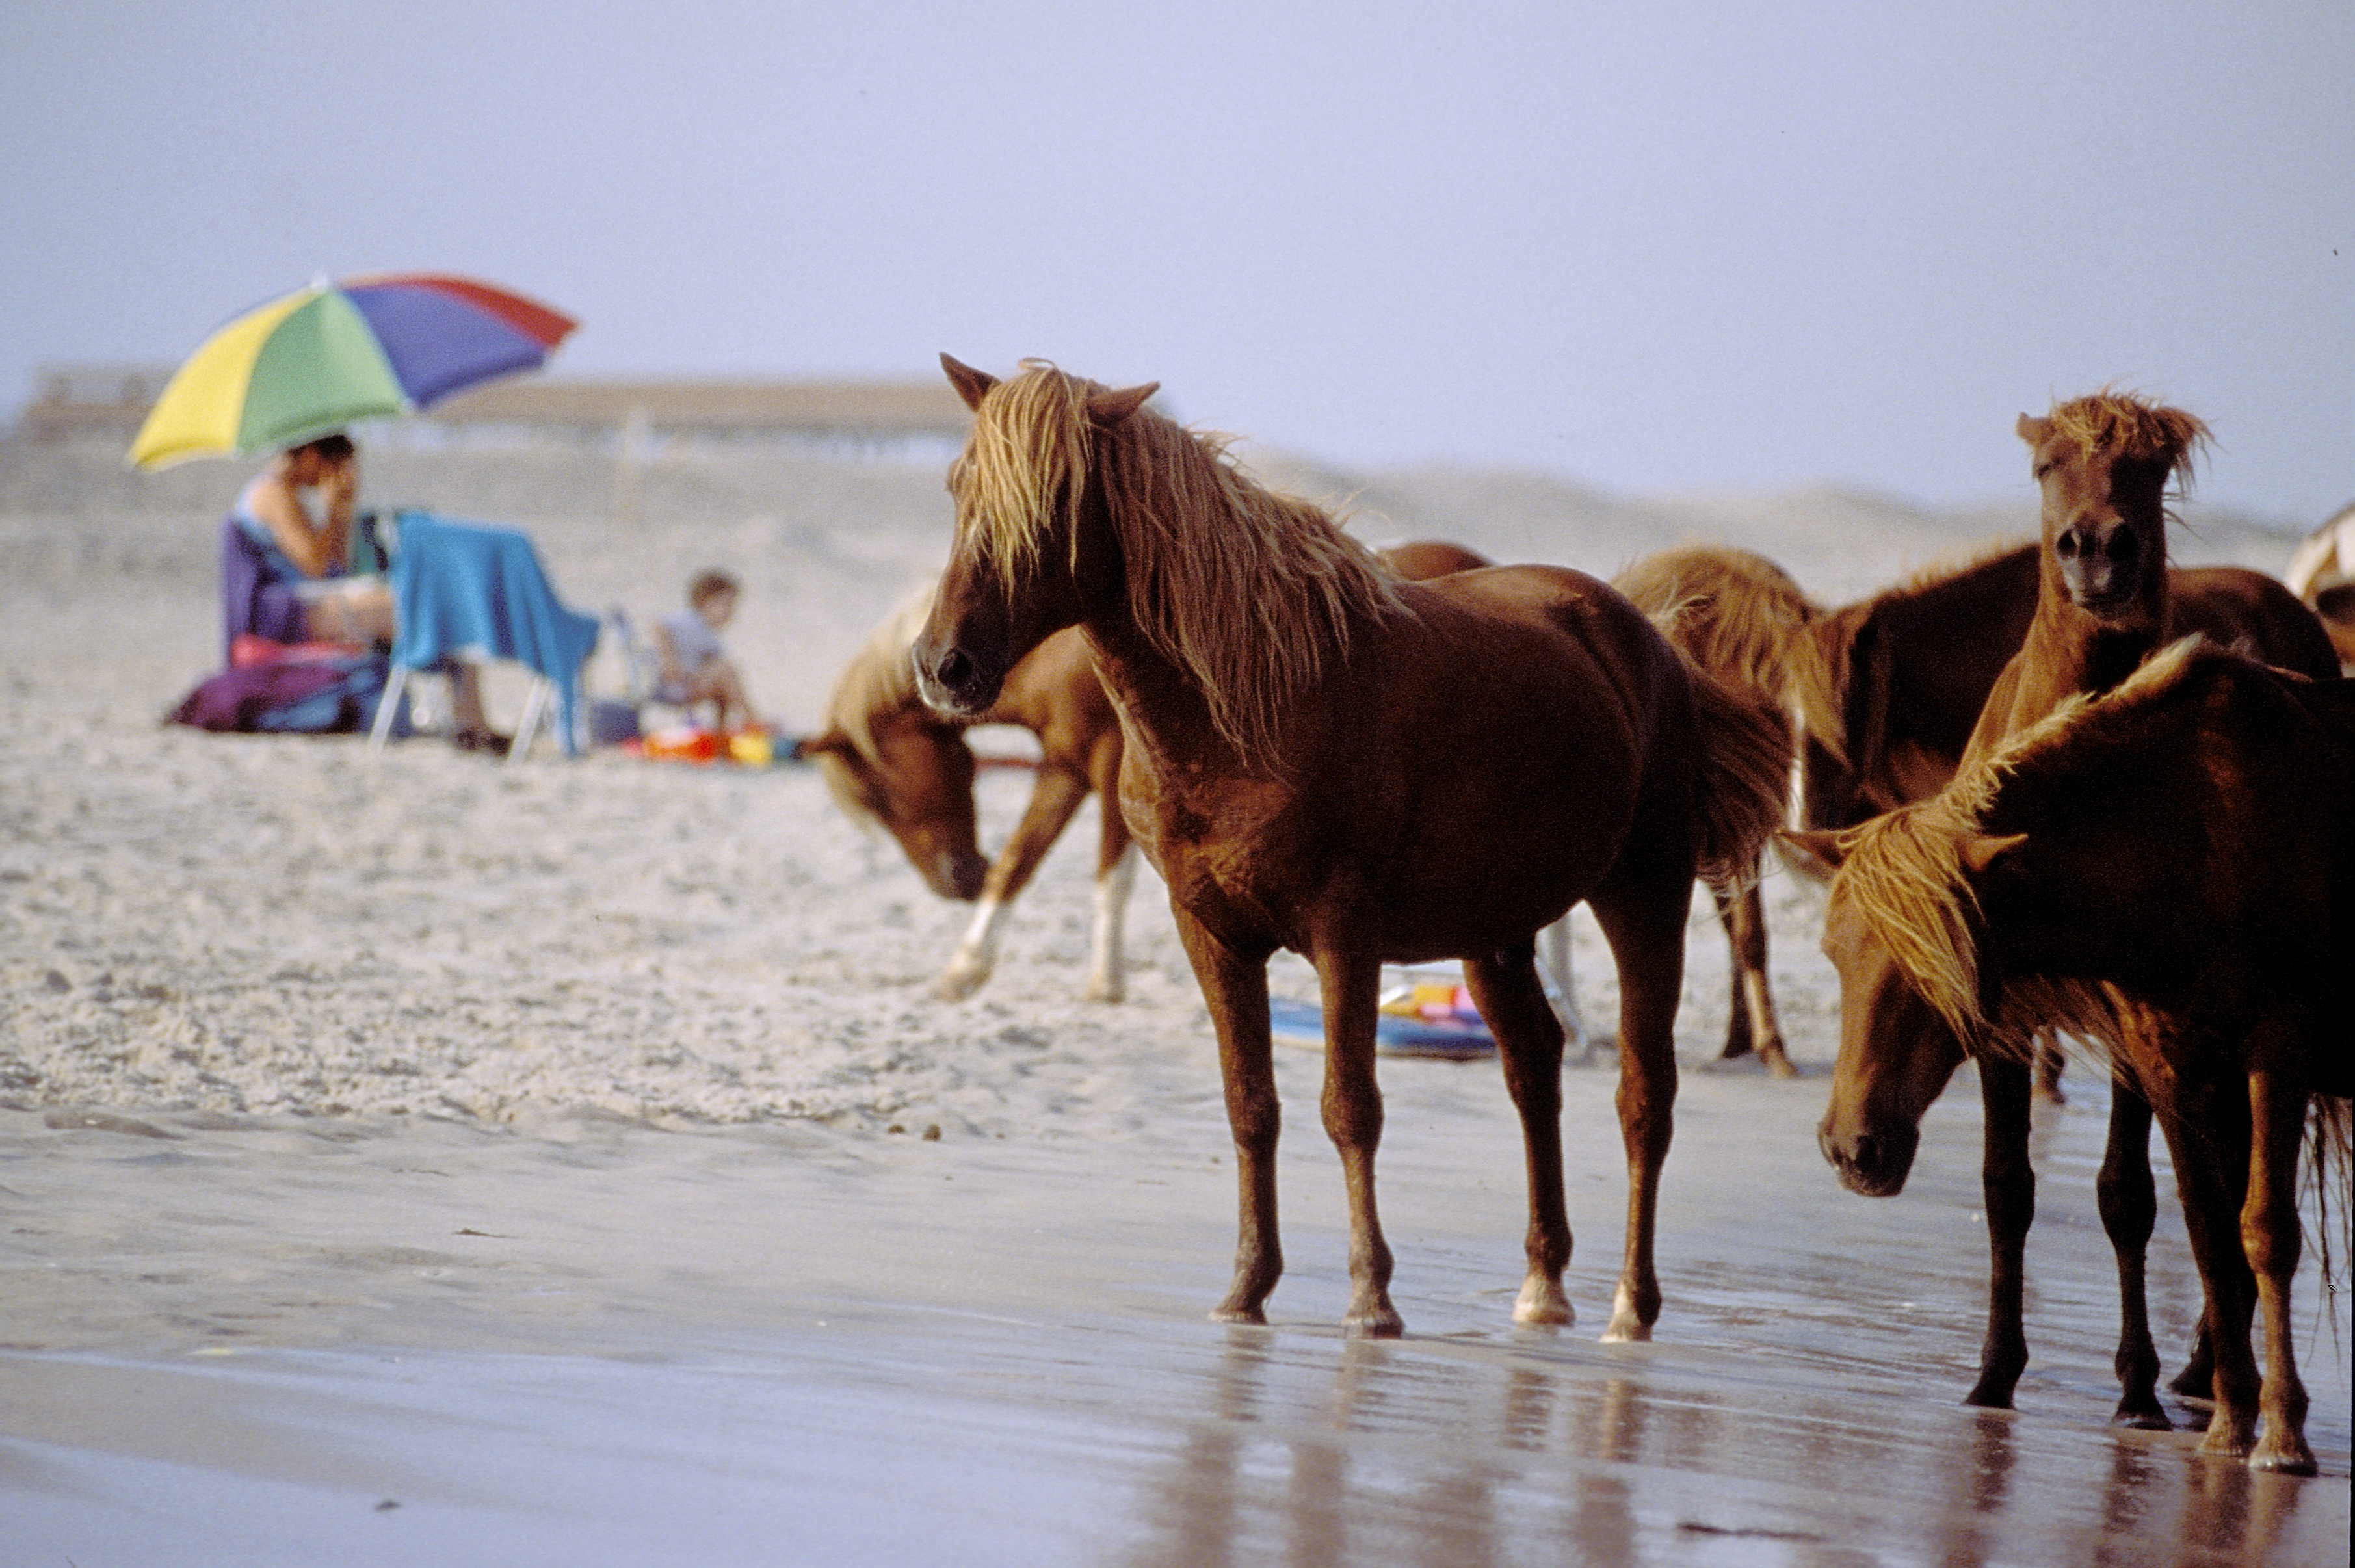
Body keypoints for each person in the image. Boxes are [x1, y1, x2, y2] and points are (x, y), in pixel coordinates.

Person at [231, 432, 504, 751]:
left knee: (430, 608)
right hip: (285, 612)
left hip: (305, 602)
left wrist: (343, 509)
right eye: (332, 468)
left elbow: (339, 565)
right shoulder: (272, 492)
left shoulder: (284, 492)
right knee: (431, 611)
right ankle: (471, 722)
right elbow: (314, 565)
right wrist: (333, 510)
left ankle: (469, 720)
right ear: (310, 458)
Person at [651, 569, 759, 732]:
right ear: (704, 602)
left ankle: (721, 729)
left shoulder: (709, 635)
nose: (729, 611)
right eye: (724, 604)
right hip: (672, 686)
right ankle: (752, 720)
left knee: (726, 675)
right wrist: (668, 660)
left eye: (732, 605)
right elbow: (658, 625)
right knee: (726, 671)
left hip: (688, 684)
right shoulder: (691, 621)